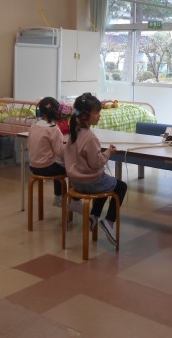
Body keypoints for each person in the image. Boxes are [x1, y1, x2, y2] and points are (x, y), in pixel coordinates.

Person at [63, 92, 127, 245]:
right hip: (90, 182)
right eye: (97, 112)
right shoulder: (90, 137)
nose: (99, 116)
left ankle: (93, 216)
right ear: (86, 115)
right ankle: (109, 222)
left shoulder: (74, 131)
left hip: (75, 182)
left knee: (107, 182)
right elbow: (96, 163)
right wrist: (108, 152)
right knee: (121, 186)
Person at [28, 97, 81, 213]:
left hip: (33, 166)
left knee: (59, 163)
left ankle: (58, 197)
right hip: (47, 168)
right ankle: (76, 201)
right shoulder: (54, 129)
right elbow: (60, 152)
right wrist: (70, 144)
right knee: (73, 167)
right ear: (57, 112)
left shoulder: (33, 126)